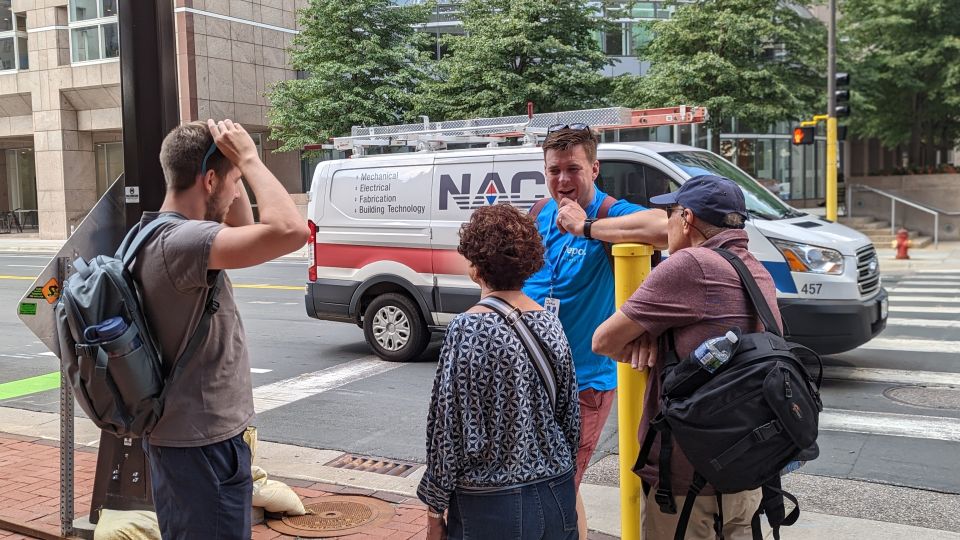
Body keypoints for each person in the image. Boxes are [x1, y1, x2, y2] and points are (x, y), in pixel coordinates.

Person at [133, 119, 309, 538]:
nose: (237, 191)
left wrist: (233, 168)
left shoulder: (159, 233)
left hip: (191, 439)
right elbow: (290, 231)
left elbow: (242, 229)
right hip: (202, 446)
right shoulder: (184, 242)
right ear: (208, 179)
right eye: (233, 183)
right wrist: (249, 157)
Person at [592, 175, 783, 539]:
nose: (665, 223)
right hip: (747, 472)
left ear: (687, 219)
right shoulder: (758, 272)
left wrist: (647, 339)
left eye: (670, 213)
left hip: (687, 483)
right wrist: (657, 334)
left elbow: (603, 342)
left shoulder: (690, 265)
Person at [521, 124, 667, 539]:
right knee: (552, 483)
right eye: (554, 170)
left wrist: (585, 228)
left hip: (584, 383)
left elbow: (663, 226)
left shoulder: (607, 213)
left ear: (594, 169)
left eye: (573, 169)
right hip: (533, 377)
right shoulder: (537, 213)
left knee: (557, 488)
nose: (563, 180)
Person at [418, 204, 581, 540]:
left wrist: (435, 509)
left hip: (490, 504)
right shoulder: (551, 324)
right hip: (555, 491)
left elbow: (448, 430)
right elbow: (570, 422)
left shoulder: (468, 328)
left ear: (476, 267)